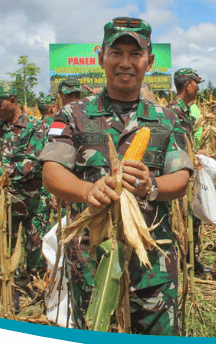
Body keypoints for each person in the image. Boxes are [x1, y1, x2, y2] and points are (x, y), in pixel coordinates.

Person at [39, 17, 193, 335]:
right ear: (101, 58)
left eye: (135, 54)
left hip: (152, 264)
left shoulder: (165, 119)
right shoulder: (73, 115)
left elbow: (180, 178)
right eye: (116, 53)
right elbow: (51, 172)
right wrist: (86, 190)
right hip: (91, 262)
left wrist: (152, 186)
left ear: (149, 61)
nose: (125, 63)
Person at [0, 84, 52, 280]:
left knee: (36, 246)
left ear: (13, 102)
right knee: (3, 243)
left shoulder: (36, 126)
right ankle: (6, 285)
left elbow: (33, 164)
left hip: (34, 200)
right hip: (5, 201)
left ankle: (35, 286)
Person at [166, 68, 210, 274]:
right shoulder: (173, 112)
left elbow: (186, 143)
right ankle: (182, 259)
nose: (198, 88)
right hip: (178, 174)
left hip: (190, 170)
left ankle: (191, 258)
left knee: (192, 217)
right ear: (187, 85)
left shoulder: (186, 111)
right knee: (182, 218)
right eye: (196, 83)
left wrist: (197, 151)